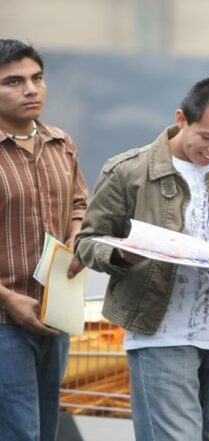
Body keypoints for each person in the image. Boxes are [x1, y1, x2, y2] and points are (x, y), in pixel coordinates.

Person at [73, 77, 209, 441]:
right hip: (158, 330)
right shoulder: (128, 170)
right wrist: (123, 252)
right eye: (208, 137)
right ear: (181, 118)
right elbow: (87, 242)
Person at [0, 39, 89, 441]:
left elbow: (79, 203)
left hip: (54, 314)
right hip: (5, 319)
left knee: (45, 429)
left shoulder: (60, 143)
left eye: (37, 78)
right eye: (13, 82)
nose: (31, 89)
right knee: (21, 433)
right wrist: (7, 298)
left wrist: (78, 231)